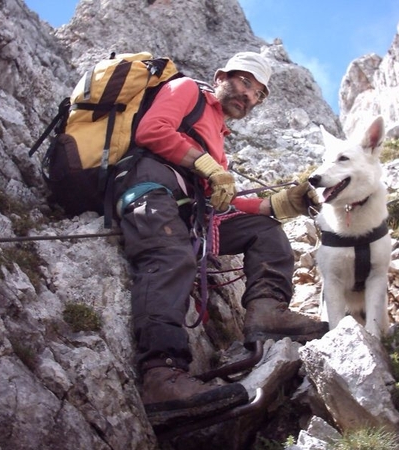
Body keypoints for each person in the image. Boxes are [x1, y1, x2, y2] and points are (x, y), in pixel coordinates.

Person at [114, 51, 327, 424]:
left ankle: (266, 312)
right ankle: (161, 377)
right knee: (172, 258)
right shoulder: (186, 91)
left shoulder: (217, 135)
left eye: (258, 93)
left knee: (264, 230)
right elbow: (152, 130)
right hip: (150, 190)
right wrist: (207, 165)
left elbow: (221, 202)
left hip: (187, 211)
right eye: (245, 83)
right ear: (220, 76)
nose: (249, 96)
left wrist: (277, 204)